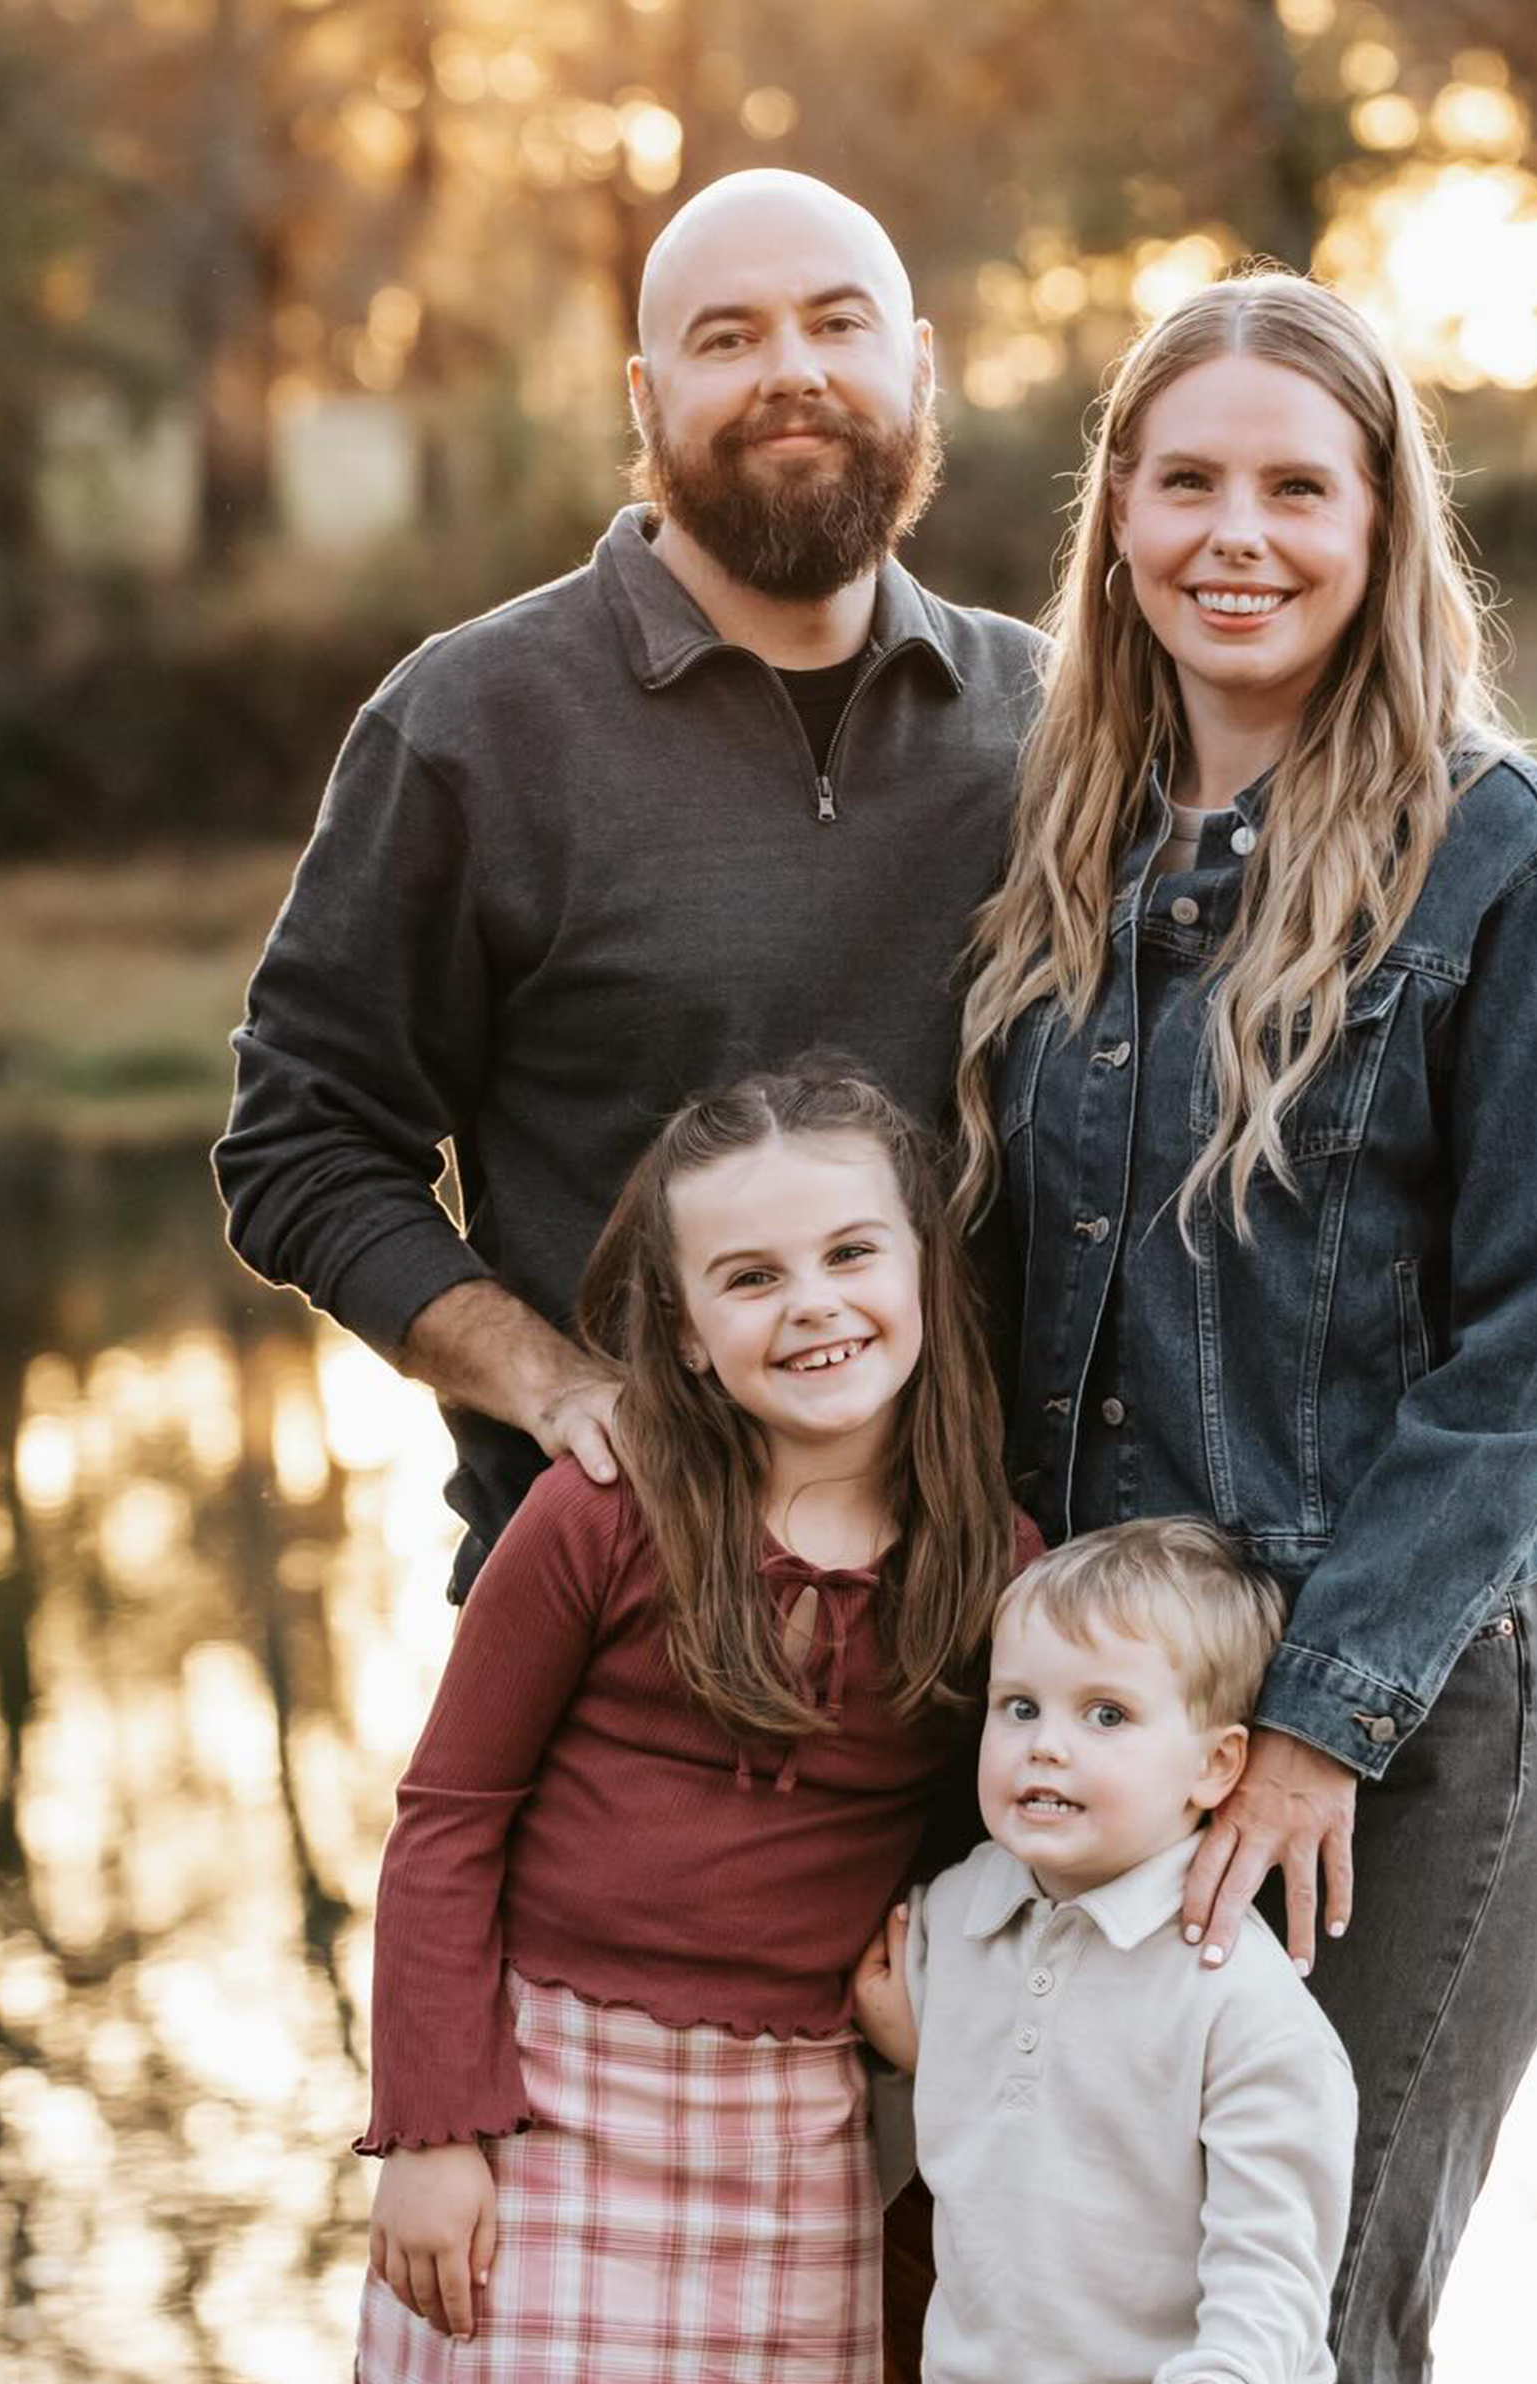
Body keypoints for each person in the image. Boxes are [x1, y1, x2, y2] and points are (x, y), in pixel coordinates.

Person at [953, 276, 1537, 2384]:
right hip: (1113, 1728)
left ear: (1377, 523)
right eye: (1184, 481)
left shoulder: (1502, 852)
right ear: (1117, 517)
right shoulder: (1069, 846)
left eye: (1292, 486)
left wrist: (1318, 1721)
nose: (1232, 535)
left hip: (1407, 1738)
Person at [213, 169, 1043, 1607]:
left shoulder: (1050, 716)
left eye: (837, 324)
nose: (791, 371)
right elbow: (302, 1142)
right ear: (646, 399)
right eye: (729, 338)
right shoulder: (472, 725)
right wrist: (548, 1383)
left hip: (1005, 1631)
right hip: (622, 1623)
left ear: (919, 368)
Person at [353, 1064, 1036, 2384]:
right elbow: (448, 1822)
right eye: (751, 1277)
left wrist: (940, 2022)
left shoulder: (993, 1559)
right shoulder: (602, 1513)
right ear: (682, 1327)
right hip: (546, 2107)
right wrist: (432, 2128)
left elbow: (1035, 1849)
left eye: (851, 1253)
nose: (813, 1305)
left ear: (925, 1264)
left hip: (791, 2128)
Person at [851, 1518, 1355, 2384]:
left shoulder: (1236, 1996)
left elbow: (1276, 2246)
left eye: (1107, 1716)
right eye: (1020, 1706)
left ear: (1215, 1766)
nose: (1046, 1746)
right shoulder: (956, 1913)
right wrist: (910, 2049)